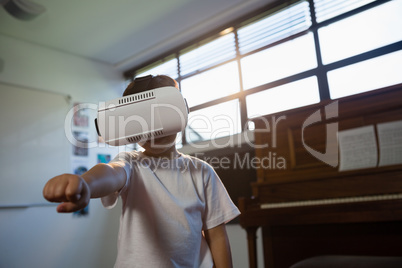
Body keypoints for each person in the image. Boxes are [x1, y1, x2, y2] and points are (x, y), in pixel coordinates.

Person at [43, 75, 240, 268]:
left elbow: (217, 236)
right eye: (142, 121)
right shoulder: (131, 164)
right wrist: (86, 183)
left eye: (163, 113)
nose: (157, 129)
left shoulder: (202, 172)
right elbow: (111, 172)